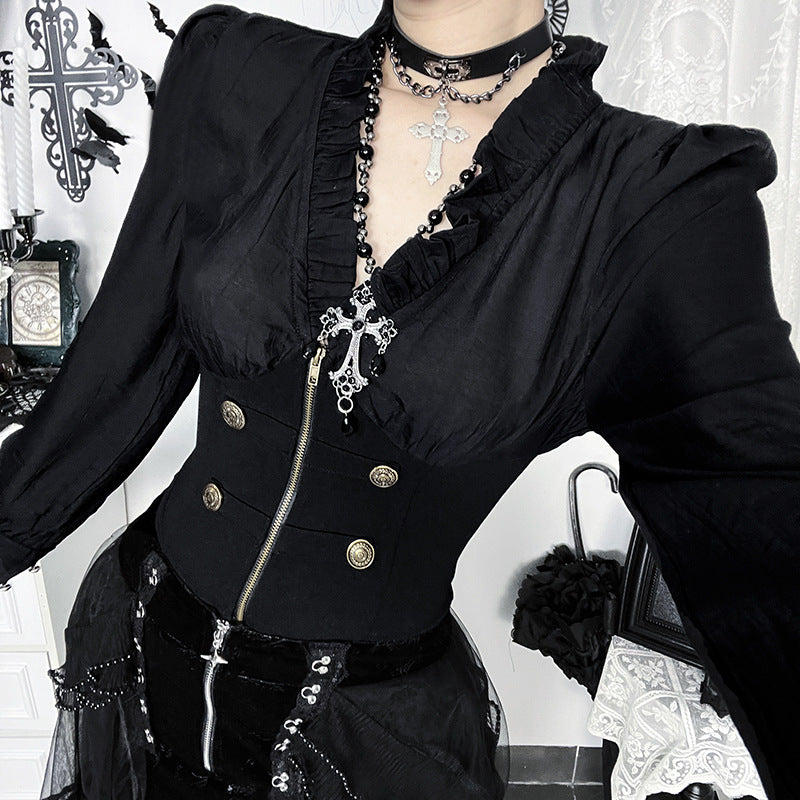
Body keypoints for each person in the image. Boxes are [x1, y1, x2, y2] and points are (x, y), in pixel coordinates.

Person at [1, 1, 798, 798]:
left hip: (366, 734)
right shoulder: (234, 72)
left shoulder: (658, 203)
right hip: (147, 647)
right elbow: (120, 359)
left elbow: (760, 541)